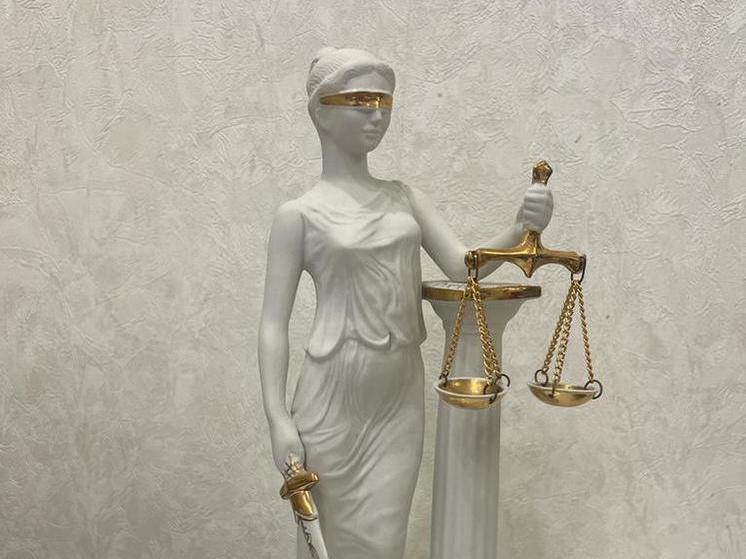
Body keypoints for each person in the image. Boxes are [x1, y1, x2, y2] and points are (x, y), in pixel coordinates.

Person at [257, 46, 553, 559]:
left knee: (383, 539)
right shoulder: (298, 216)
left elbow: (463, 267)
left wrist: (521, 227)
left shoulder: (404, 197)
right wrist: (278, 419)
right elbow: (272, 326)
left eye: (385, 102)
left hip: (397, 392)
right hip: (332, 393)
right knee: (327, 540)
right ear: (321, 111)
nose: (377, 114)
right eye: (361, 100)